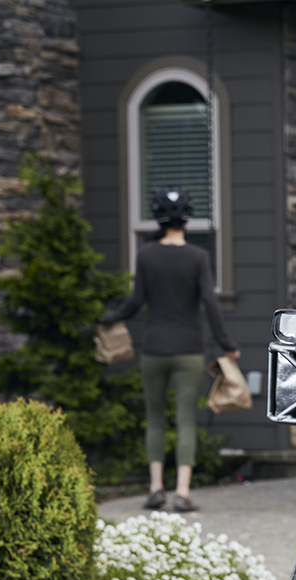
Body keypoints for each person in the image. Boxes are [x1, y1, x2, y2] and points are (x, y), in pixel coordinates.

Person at [102, 187, 238, 513]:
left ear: (157, 218)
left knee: (155, 418)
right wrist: (226, 344)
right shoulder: (197, 257)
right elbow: (209, 302)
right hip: (188, 349)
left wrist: (110, 318)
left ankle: (154, 488)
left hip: (154, 349)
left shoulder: (147, 255)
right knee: (186, 418)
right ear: (187, 218)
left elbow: (135, 301)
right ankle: (182, 492)